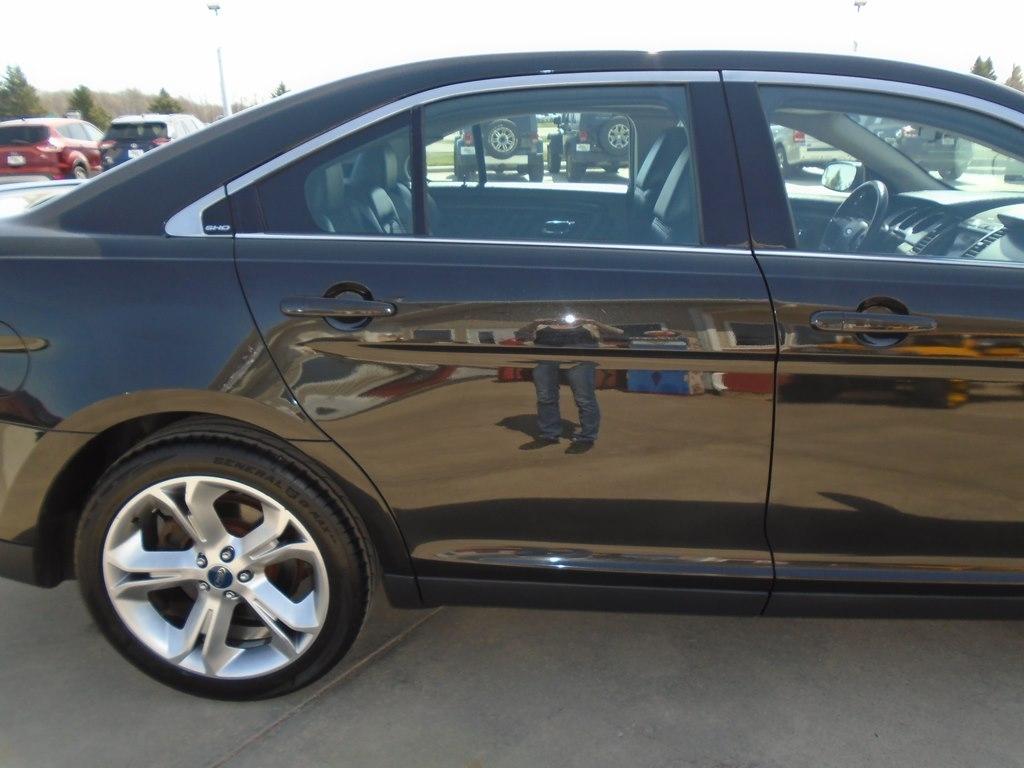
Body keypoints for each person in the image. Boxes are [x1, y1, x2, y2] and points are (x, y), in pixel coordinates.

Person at [515, 314, 623, 451]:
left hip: (580, 363)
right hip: (546, 362)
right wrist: (535, 323)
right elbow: (519, 335)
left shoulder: (588, 325)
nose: (563, 319)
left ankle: (587, 437)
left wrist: (594, 322)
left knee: (585, 400)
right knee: (545, 398)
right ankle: (549, 435)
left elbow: (618, 334)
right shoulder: (541, 326)